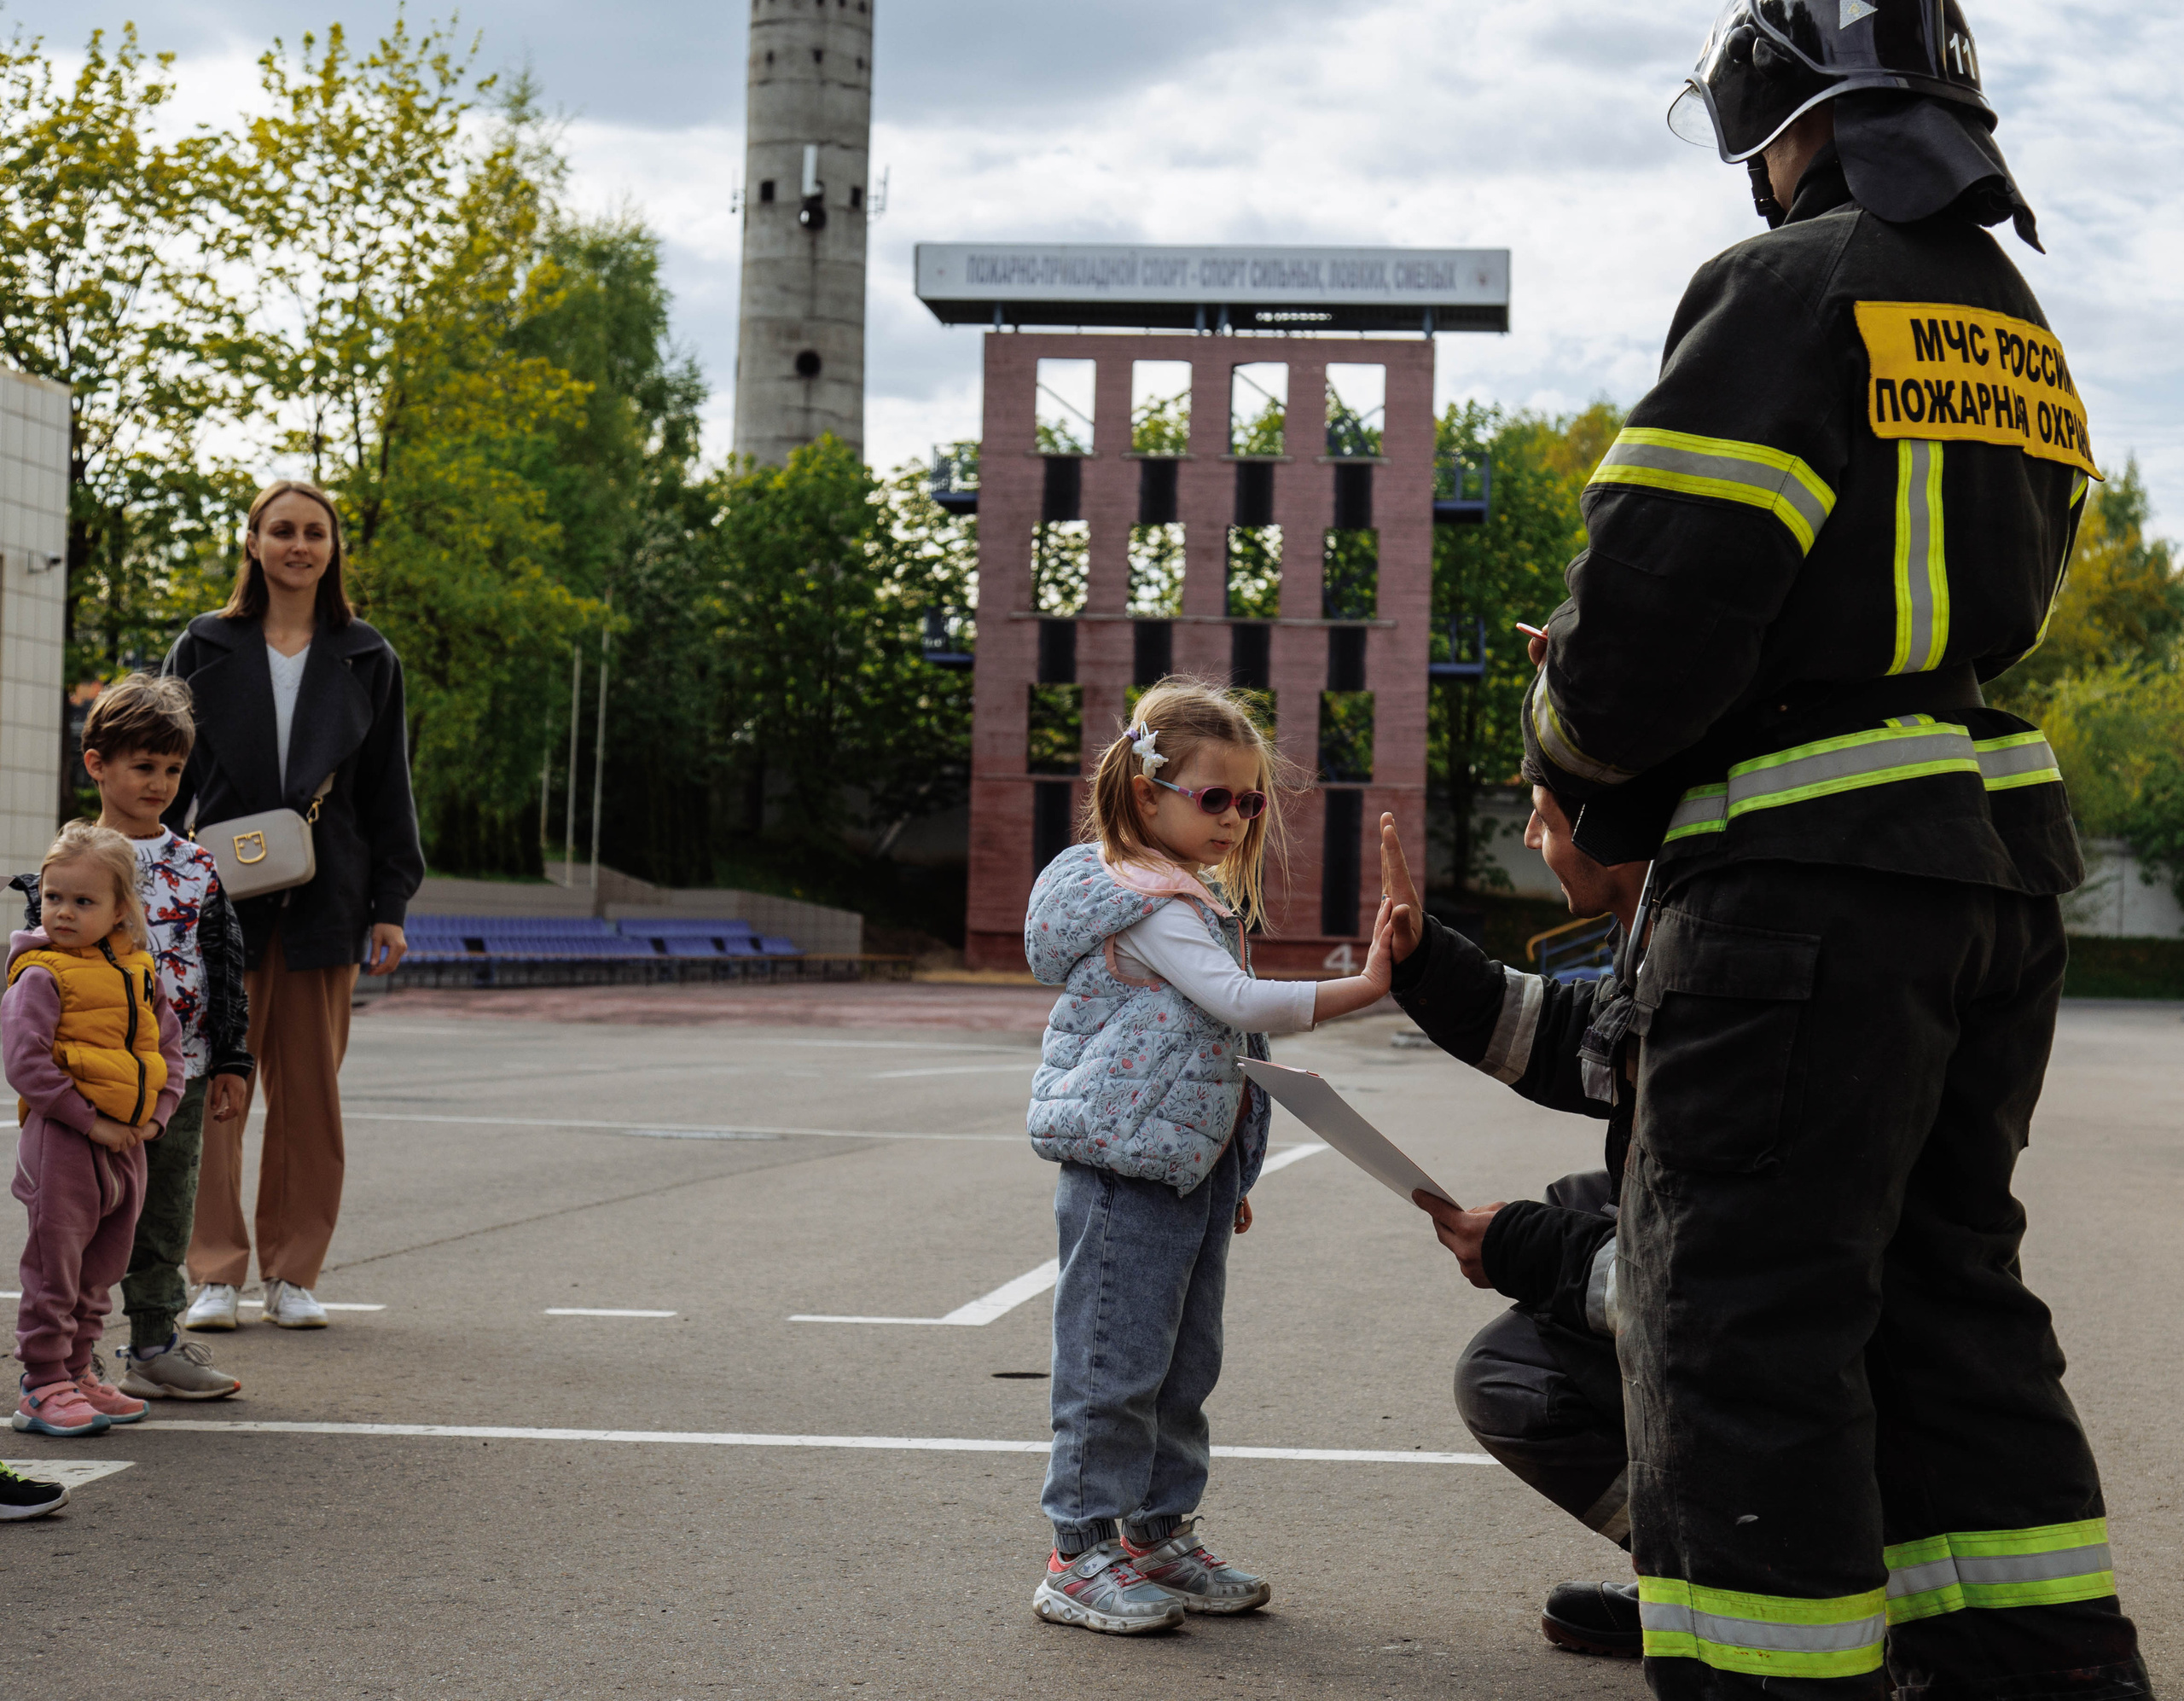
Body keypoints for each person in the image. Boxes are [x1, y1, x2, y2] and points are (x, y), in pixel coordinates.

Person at [1510, 3, 2146, 1696]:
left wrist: (1576, 779)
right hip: (1982, 871)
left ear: (1778, 124)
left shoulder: (1783, 289)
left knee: (1737, 1332)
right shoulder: (2014, 321)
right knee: (1949, 1313)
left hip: (1799, 886)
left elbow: (1643, 621)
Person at [1021, 676, 1397, 1634]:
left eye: (1251, 799)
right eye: (1214, 797)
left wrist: (1230, 1174)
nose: (1235, 817)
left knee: (1184, 1364)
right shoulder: (1144, 902)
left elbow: (1217, 1065)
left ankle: (1154, 1531)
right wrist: (1368, 985)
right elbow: (1242, 1006)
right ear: (1148, 795)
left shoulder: (1187, 896)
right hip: (1123, 1174)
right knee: (1112, 1365)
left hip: (1182, 1171)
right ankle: (1077, 1551)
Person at [1380, 798, 1653, 1655]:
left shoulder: (1715, 961)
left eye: (1542, 816)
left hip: (1803, 1329)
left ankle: (1724, 1570)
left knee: (1508, 1375)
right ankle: (1706, 1564)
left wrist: (1519, 1246)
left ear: (1613, 822)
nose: (1531, 838)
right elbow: (1579, 1035)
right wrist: (1424, 963)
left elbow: (1712, 1267)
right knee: (1585, 1190)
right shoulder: (1673, 931)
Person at [163, 480, 423, 1332]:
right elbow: (160, 767)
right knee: (217, 1089)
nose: (298, 544)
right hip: (217, 898)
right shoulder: (204, 645)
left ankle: (293, 1271)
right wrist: (142, 874)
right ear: (253, 541)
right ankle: (214, 1272)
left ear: (333, 547)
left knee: (309, 1097)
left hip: (329, 899)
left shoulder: (366, 655)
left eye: (315, 531)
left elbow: (390, 787)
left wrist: (391, 900)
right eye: (282, 529)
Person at [25, 674, 252, 1398]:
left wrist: (231, 1058)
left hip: (171, 1071)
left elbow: (224, 963)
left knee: (162, 1212)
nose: (159, 783)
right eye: (142, 766)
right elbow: (40, 962)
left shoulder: (197, 866)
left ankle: (154, 1343)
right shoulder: (70, 861)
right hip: (86, 1082)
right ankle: (68, 1359)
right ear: (98, 765)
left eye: (173, 769)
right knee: (78, 1222)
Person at [8, 822, 186, 1437]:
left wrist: (157, 1117)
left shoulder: (139, 973)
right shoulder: (41, 975)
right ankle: (41, 1383)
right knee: (54, 1272)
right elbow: (25, 1064)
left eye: (84, 902)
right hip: (63, 1145)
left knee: (99, 1272)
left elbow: (171, 1051)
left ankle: (79, 1371)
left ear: (119, 911)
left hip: (126, 1150)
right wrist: (91, 1122)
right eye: (54, 897)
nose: (63, 912)